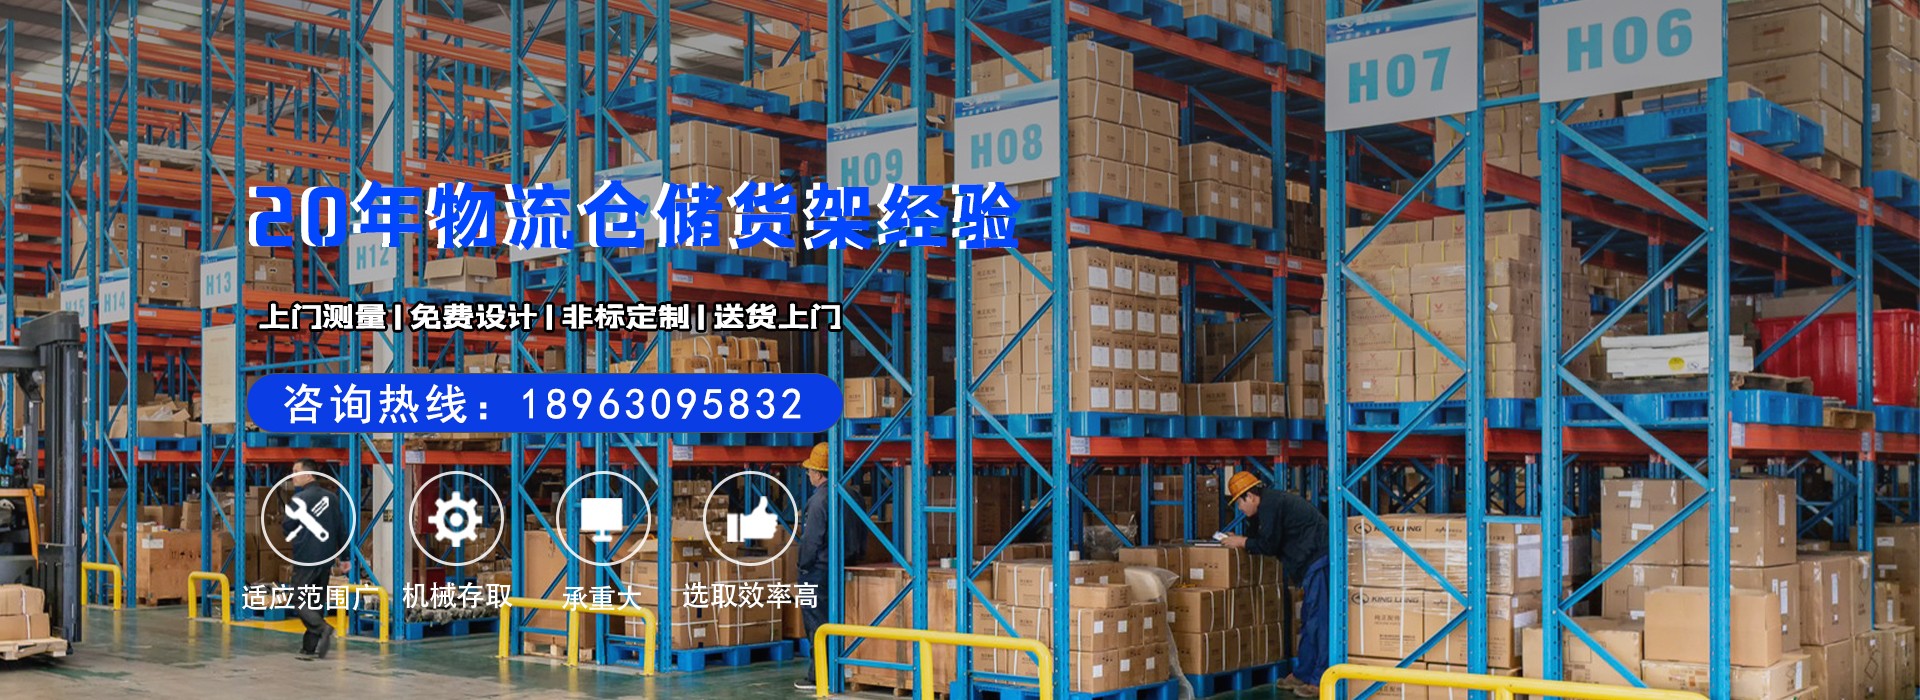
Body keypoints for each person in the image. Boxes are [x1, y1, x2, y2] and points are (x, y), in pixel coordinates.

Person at [1220, 472, 1329, 697]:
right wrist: (1240, 539)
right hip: (1307, 564)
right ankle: (1303, 673)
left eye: (1239, 503)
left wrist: (1242, 542)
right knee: (1308, 620)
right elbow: (1257, 535)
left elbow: (1268, 545)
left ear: (1251, 497)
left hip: (1317, 561)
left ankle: (1320, 680)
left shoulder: (1272, 505)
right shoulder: (1266, 506)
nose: (1239, 508)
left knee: (1318, 622)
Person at [791, 442, 864, 691]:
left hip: (817, 572)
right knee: (838, 621)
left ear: (818, 473)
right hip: (845, 567)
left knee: (816, 624)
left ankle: (819, 676)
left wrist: (802, 567)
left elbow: (811, 540)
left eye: (810, 471)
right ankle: (837, 669)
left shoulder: (818, 501)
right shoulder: (852, 495)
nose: (808, 475)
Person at [281, 458, 349, 660]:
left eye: (296, 472)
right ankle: (309, 647)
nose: (293, 476)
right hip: (326, 558)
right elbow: (341, 529)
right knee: (315, 601)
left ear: (308, 475)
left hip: (306, 558)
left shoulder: (300, 498)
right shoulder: (332, 498)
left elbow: (287, 526)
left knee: (297, 599)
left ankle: (322, 628)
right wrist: (345, 557)